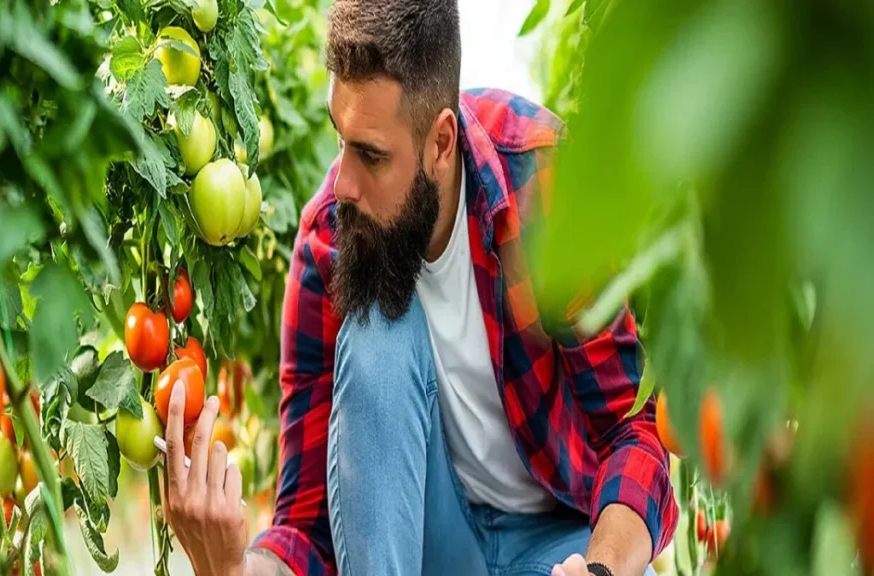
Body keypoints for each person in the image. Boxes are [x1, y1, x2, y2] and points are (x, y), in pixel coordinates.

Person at [160, 0, 678, 574]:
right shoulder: (328, 244)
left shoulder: (540, 187)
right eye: (341, 140)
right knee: (376, 320)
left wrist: (601, 570)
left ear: (441, 141)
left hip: (555, 543)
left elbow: (630, 432)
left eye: (371, 155)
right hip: (421, 544)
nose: (344, 184)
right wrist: (232, 569)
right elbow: (306, 529)